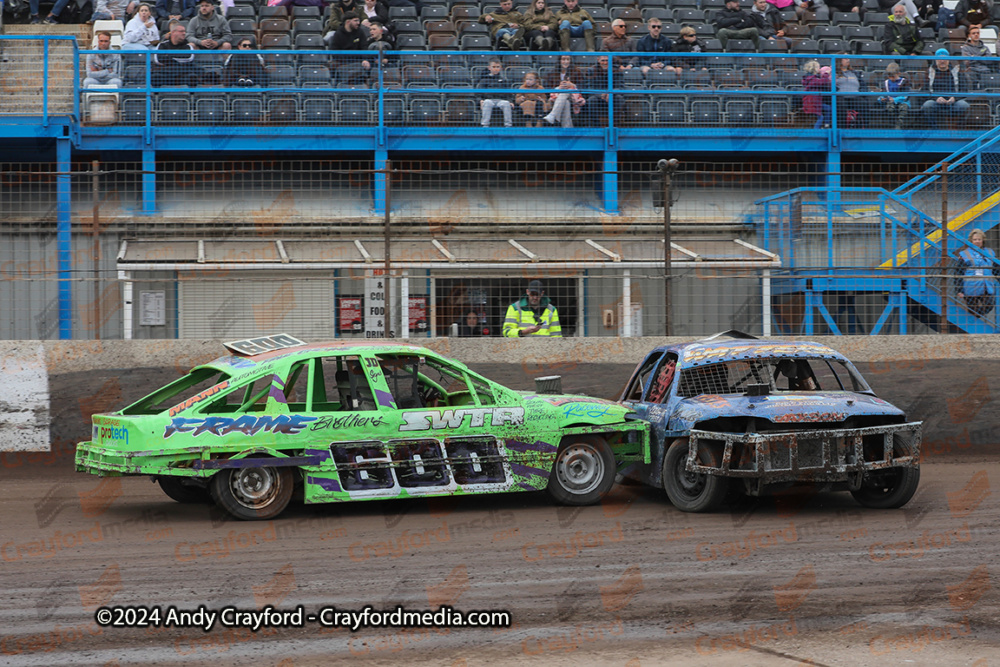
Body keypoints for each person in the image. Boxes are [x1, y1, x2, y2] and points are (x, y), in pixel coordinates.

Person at [956, 228, 1000, 317]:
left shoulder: (990, 252)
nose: (977, 241)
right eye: (975, 239)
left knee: (989, 305)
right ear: (971, 241)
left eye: (979, 239)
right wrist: (959, 290)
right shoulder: (965, 254)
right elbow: (958, 273)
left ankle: (975, 317)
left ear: (983, 240)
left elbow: (996, 269)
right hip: (970, 288)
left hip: (986, 287)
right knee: (972, 310)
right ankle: (974, 321)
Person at [922, 48, 970, 129]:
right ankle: (934, 129)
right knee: (927, 105)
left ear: (948, 60)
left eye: (944, 58)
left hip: (953, 103)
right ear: (936, 60)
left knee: (964, 105)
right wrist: (936, 98)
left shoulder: (957, 72)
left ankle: (959, 130)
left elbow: (964, 90)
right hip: (936, 102)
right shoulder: (929, 73)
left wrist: (955, 98)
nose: (942, 61)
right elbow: (924, 90)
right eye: (939, 59)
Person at [154, 22, 201, 86]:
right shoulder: (162, 45)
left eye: (184, 31)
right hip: (166, 74)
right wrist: (178, 59)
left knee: (192, 76)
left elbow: (189, 58)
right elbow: (158, 59)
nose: (184, 33)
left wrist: (168, 57)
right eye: (181, 31)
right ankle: (156, 95)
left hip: (183, 74)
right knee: (156, 76)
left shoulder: (188, 46)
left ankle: (191, 95)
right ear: (173, 32)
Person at [477, 57, 514, 127]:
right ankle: (485, 125)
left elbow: (508, 93)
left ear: (500, 68)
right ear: (489, 68)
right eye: (493, 67)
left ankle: (508, 125)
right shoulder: (484, 79)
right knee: (487, 103)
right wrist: (480, 100)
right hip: (488, 100)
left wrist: (510, 101)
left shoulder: (504, 80)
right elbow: (479, 92)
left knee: (506, 104)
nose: (496, 69)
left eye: (497, 67)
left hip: (501, 100)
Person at [878, 62, 910, 129]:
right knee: (889, 107)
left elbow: (906, 96)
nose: (891, 78)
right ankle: (892, 125)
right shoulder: (886, 83)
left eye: (893, 76)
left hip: (903, 101)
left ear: (898, 73)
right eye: (889, 76)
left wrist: (895, 99)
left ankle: (899, 126)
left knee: (903, 108)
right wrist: (881, 99)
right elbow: (882, 94)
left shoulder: (904, 81)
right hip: (890, 102)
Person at [836, 57, 866, 127]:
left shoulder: (855, 73)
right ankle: (841, 130)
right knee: (840, 105)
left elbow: (863, 86)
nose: (848, 60)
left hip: (855, 96)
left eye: (848, 58)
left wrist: (862, 93)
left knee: (864, 104)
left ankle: (865, 129)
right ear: (839, 60)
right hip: (841, 97)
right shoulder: (834, 73)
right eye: (845, 58)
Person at [802, 60, 831, 128]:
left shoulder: (812, 78)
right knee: (820, 117)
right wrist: (826, 74)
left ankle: (827, 124)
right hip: (812, 102)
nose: (820, 69)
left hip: (816, 101)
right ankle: (816, 131)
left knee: (828, 108)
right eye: (818, 67)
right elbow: (823, 82)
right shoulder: (811, 79)